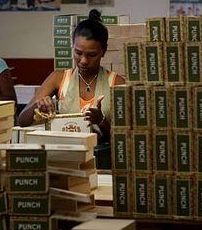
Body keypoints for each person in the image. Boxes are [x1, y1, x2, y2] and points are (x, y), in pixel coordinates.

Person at [18, 9, 125, 141]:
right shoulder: (59, 78)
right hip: (68, 152)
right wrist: (38, 105)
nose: (84, 61)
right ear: (72, 47)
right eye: (78, 53)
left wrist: (101, 121)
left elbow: (124, 140)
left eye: (92, 55)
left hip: (103, 157)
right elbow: (22, 121)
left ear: (104, 51)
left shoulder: (116, 83)